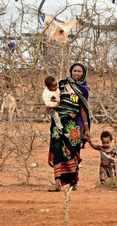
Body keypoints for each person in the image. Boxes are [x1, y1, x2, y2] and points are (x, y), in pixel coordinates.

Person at [48, 63, 91, 191]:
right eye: (74, 71)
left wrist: (87, 129)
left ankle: (74, 183)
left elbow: (83, 110)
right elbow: (53, 98)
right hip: (58, 122)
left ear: (83, 74)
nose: (76, 73)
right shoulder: (61, 84)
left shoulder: (83, 90)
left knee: (73, 152)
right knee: (57, 149)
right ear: (71, 71)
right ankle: (57, 182)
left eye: (79, 71)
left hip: (73, 125)